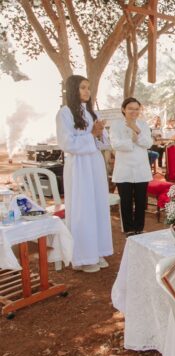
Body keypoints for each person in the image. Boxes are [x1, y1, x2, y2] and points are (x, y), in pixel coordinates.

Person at [55, 75, 113, 273]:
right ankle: (83, 257)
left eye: (89, 88)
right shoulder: (64, 113)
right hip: (79, 165)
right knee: (83, 208)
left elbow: (103, 143)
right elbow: (66, 143)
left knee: (97, 205)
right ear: (73, 90)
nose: (87, 91)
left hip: (94, 163)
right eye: (83, 88)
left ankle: (97, 251)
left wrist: (100, 132)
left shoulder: (91, 112)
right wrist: (92, 135)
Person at [110, 97, 153, 236]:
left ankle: (139, 228)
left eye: (136, 109)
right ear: (123, 109)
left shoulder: (143, 125)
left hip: (141, 168)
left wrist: (137, 131)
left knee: (141, 200)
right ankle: (128, 229)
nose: (134, 111)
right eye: (130, 108)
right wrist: (131, 140)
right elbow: (115, 144)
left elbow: (148, 143)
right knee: (126, 201)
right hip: (124, 168)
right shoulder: (116, 125)